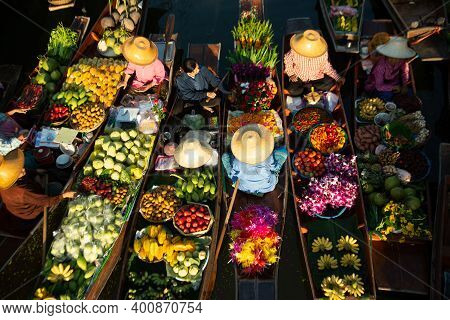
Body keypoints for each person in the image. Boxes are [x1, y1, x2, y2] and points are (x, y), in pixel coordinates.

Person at [0, 149, 76, 223]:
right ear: (12, 177)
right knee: (57, 187)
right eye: (19, 171)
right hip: (30, 212)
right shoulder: (21, 192)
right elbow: (45, 202)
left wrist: (36, 172)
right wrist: (64, 196)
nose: (23, 169)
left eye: (21, 168)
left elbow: (28, 171)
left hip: (32, 195)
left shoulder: (6, 180)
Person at [222, 124, 287, 195]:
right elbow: (275, 166)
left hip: (243, 187)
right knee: (282, 153)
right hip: (266, 187)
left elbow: (232, 170)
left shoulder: (237, 161)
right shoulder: (268, 158)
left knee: (225, 157)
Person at [284, 30, 344, 96]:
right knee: (292, 90)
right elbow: (287, 59)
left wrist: (337, 78)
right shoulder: (296, 50)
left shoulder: (322, 53)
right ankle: (307, 89)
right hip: (299, 77)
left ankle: (310, 88)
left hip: (316, 78)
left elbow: (326, 67)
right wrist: (291, 74)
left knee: (329, 83)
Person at [364, 36, 416, 101]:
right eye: (390, 57)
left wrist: (404, 85)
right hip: (376, 87)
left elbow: (404, 72)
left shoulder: (402, 61)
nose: (393, 60)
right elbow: (379, 86)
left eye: (396, 58)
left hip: (394, 84)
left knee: (409, 93)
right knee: (387, 95)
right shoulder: (380, 66)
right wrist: (393, 87)